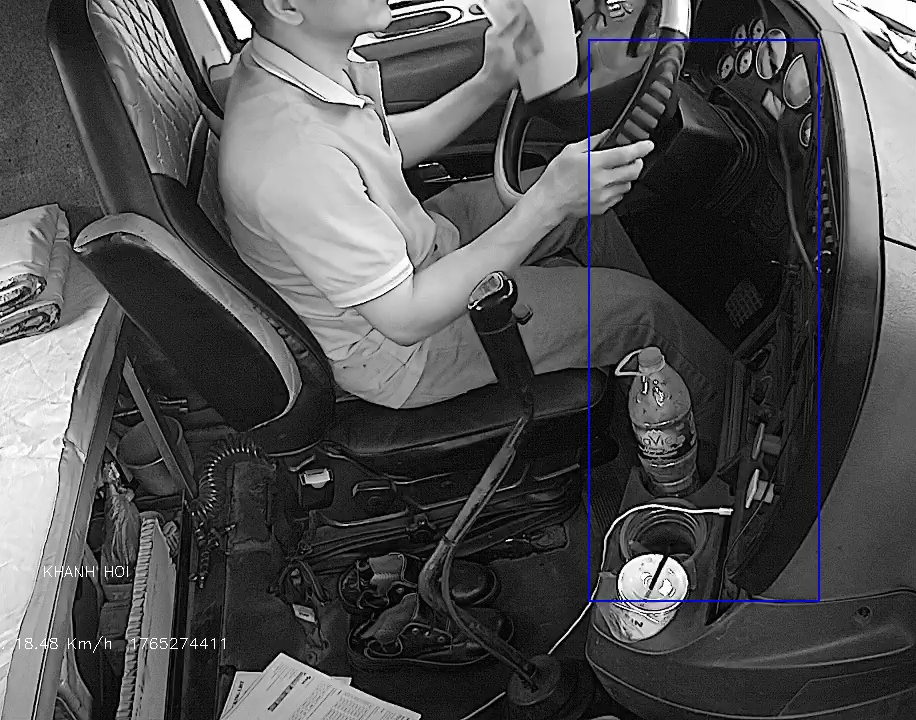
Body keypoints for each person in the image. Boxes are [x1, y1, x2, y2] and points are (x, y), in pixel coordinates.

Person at [216, 0, 732, 450]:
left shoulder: (294, 67)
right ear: (286, 6)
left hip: (415, 241)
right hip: (402, 346)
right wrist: (547, 203)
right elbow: (405, 317)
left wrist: (490, 81)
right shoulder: (292, 160)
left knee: (587, 208)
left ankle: (641, 360)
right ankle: (729, 441)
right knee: (642, 314)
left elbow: (381, 145)